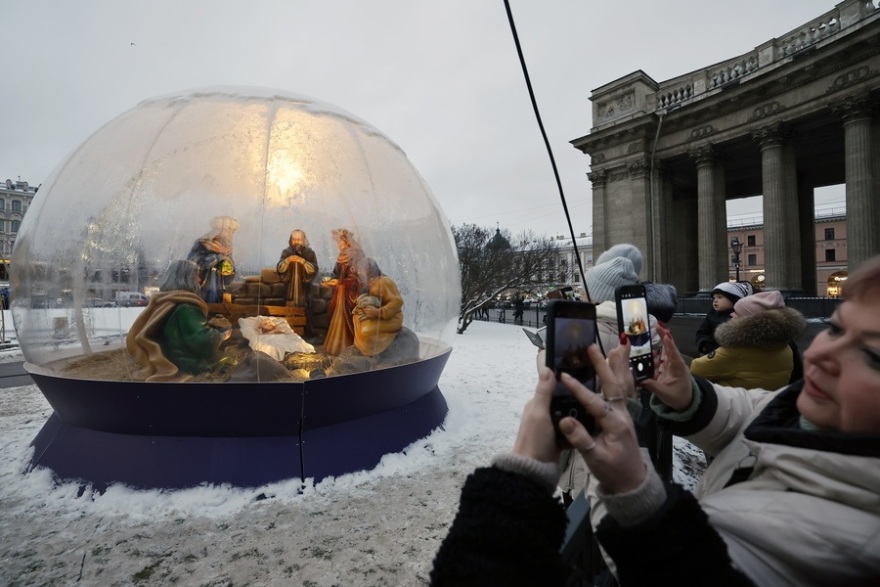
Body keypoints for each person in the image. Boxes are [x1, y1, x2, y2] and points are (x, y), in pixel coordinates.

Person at [432, 255, 880, 587]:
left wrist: (521, 479)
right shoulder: (807, 416)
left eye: (872, 355)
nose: (820, 353)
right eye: (836, 329)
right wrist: (689, 398)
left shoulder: (842, 547)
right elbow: (755, 410)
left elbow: (688, 570)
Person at [126, 259, 231, 382]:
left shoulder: (169, 302)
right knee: (229, 361)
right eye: (196, 275)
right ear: (186, 278)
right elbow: (201, 341)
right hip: (185, 361)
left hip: (172, 355)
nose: (199, 280)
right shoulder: (187, 308)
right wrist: (222, 335)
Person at [690, 290, 805, 389]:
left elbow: (696, 368)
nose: (732, 315)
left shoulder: (737, 349)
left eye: (737, 313)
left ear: (748, 321)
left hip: (733, 402)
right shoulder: (786, 347)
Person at [322, 228, 368, 355]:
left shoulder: (356, 255)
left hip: (350, 294)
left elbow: (357, 277)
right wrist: (333, 281)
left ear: (347, 242)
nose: (338, 245)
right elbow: (336, 274)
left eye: (339, 241)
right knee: (333, 313)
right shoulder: (341, 256)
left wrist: (341, 282)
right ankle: (336, 346)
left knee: (347, 317)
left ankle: (348, 346)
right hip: (340, 292)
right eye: (337, 242)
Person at [352, 259, 404, 357]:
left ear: (369, 270)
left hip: (391, 318)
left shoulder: (384, 282)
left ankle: (372, 352)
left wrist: (378, 312)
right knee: (356, 319)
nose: (358, 272)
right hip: (375, 316)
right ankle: (361, 349)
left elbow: (397, 302)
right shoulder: (370, 283)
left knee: (366, 331)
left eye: (361, 269)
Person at [276, 229, 319, 337]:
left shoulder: (310, 253)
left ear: (303, 240)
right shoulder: (286, 252)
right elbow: (280, 268)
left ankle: (307, 334)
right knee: (288, 307)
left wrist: (302, 261)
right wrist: (288, 260)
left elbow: (313, 269)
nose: (296, 242)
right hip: (289, 288)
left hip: (304, 288)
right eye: (294, 239)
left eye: (299, 239)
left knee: (306, 308)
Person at [187, 215, 239, 303]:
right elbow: (193, 262)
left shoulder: (226, 247)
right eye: (228, 231)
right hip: (203, 285)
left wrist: (228, 267)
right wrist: (217, 258)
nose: (231, 234)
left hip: (218, 284)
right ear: (218, 231)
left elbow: (228, 267)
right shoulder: (203, 243)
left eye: (232, 231)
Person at [694, 281, 752, 356]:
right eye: (714, 298)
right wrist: (704, 344)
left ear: (733, 300)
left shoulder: (738, 316)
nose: (715, 300)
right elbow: (702, 333)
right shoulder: (711, 316)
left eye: (720, 297)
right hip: (711, 353)